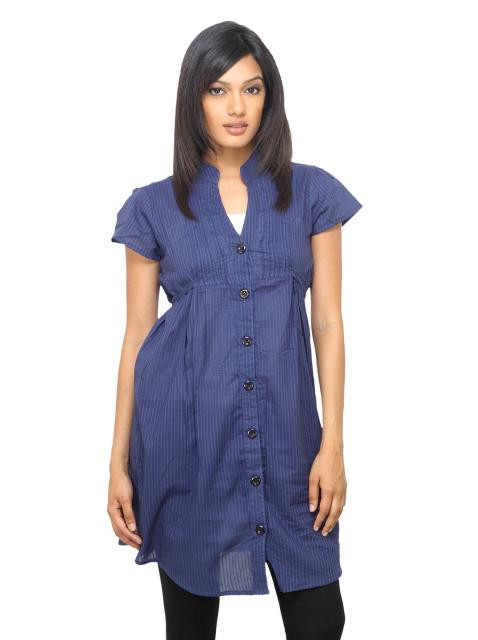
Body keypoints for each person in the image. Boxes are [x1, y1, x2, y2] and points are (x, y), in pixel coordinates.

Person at [107, 21, 362, 640]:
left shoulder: (311, 194)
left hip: (293, 455)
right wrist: (117, 461)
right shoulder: (153, 207)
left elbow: (328, 320)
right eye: (218, 90)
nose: (237, 108)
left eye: (251, 89)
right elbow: (137, 336)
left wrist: (333, 443)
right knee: (195, 623)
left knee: (319, 622)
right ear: (194, 99)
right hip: (193, 455)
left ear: (269, 96)